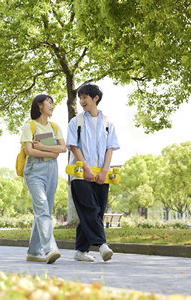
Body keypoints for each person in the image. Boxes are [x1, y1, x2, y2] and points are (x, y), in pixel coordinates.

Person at [66, 83, 120, 262]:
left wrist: (105, 171)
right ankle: (102, 245)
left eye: (85, 98)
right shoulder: (76, 122)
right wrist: (86, 168)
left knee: (95, 212)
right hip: (81, 174)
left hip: (101, 175)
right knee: (90, 208)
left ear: (95, 98)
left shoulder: (108, 123)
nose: (81, 101)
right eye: (80, 98)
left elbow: (110, 149)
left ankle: (81, 251)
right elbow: (73, 146)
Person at [20, 94, 66, 264]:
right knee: (42, 209)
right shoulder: (30, 126)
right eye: (49, 102)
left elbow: (62, 148)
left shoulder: (55, 127)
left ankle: (33, 252)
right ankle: (50, 249)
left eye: (53, 103)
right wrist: (52, 152)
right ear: (40, 106)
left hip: (52, 172)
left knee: (44, 210)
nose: (52, 106)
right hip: (34, 172)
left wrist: (45, 147)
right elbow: (29, 151)